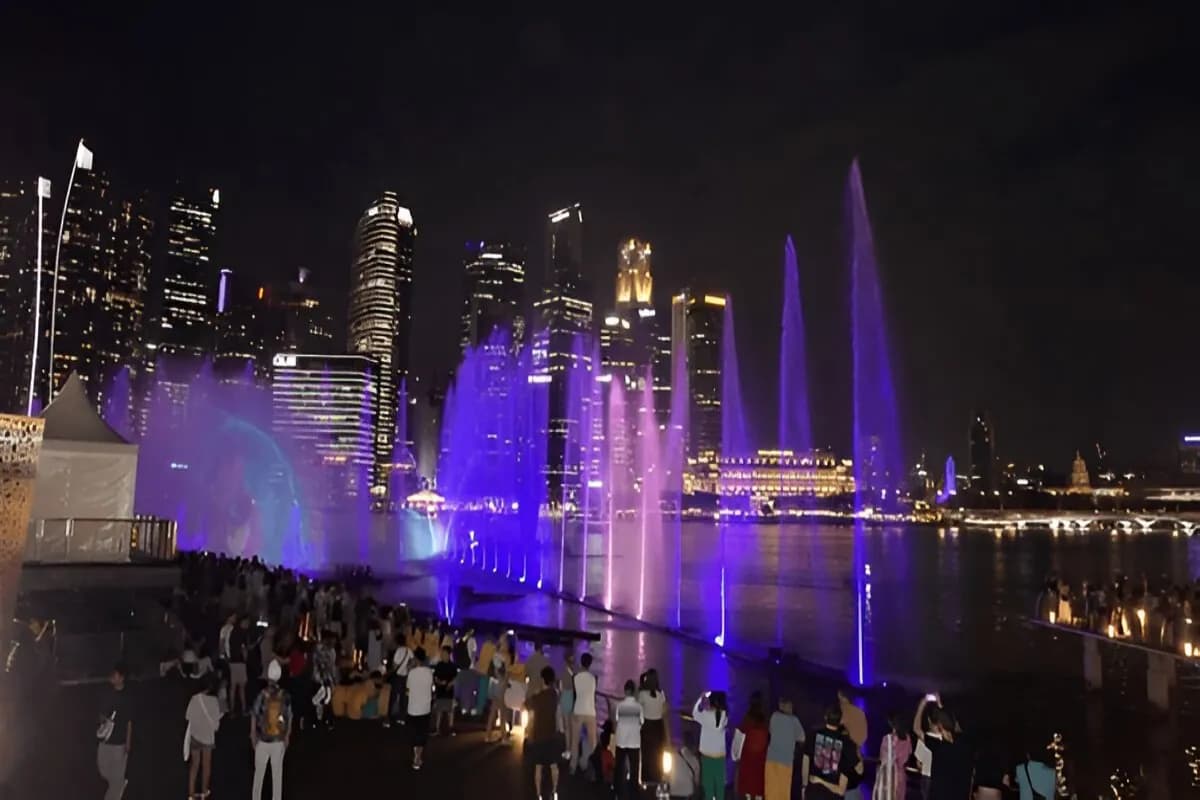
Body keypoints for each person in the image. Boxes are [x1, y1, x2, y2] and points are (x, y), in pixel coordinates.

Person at [912, 695, 974, 800]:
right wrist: (941, 708)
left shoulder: (938, 746)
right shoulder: (965, 744)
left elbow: (916, 729)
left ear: (939, 726)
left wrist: (923, 703)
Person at [251, 660, 292, 800]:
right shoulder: (285, 695)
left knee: (259, 776)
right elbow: (289, 716)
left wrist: (252, 734)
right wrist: (287, 735)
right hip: (278, 739)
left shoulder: (262, 694)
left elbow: (254, 714)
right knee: (277, 776)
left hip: (262, 739)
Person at [801, 704, 860, 799]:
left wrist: (804, 786)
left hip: (814, 792)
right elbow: (858, 768)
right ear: (840, 721)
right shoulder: (847, 743)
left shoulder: (813, 736)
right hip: (834, 795)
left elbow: (805, 761)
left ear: (825, 717)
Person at [526, 665, 564, 800]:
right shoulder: (555, 695)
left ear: (542, 680)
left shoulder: (537, 697)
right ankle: (554, 792)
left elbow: (526, 705)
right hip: (552, 736)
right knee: (554, 766)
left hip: (539, 737)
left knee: (538, 767)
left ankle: (539, 794)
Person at [96, 663, 132, 800]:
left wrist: (128, 742)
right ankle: (119, 784)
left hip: (119, 742)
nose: (112, 677)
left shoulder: (127, 698)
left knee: (116, 779)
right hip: (106, 738)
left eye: (115, 675)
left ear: (121, 677)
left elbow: (129, 721)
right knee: (103, 769)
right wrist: (104, 720)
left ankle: (117, 789)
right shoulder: (107, 693)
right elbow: (100, 714)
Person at [186, 673, 223, 800]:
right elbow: (217, 726)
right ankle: (204, 793)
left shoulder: (194, 698)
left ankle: (191, 794)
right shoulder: (214, 702)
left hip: (195, 736)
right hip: (208, 738)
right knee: (206, 766)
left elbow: (188, 717)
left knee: (194, 765)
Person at [765, 696, 805, 800]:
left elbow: (770, 731)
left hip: (771, 759)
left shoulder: (774, 716)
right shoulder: (794, 720)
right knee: (783, 792)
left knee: (771, 790)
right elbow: (802, 738)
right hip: (786, 761)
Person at [692, 690, 729, 800]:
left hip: (706, 756)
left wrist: (701, 699)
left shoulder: (705, 715)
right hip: (720, 756)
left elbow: (695, 713)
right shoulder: (724, 716)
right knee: (719, 787)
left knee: (708, 788)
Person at [614, 679, 645, 800]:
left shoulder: (620, 706)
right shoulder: (639, 707)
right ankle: (634, 792)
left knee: (619, 766)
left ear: (625, 691)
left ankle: (618, 789)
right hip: (634, 741)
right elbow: (642, 722)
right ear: (634, 692)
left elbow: (617, 719)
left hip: (621, 740)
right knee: (634, 767)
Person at [735, 691, 769, 800]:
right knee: (758, 791)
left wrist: (736, 757)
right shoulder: (764, 723)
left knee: (748, 792)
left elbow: (737, 747)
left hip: (747, 761)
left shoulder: (746, 721)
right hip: (760, 763)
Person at [638, 668, 670, 785]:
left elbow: (638, 710)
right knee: (658, 755)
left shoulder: (642, 694)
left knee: (646, 754)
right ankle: (657, 779)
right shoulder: (661, 694)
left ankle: (646, 781)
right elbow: (664, 712)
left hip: (646, 726)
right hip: (658, 727)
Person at [872, 711, 912, 800]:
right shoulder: (907, 738)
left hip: (889, 776)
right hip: (901, 775)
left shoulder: (888, 739)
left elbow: (883, 758)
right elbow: (908, 755)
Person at [406, 647, 435, 769]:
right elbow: (432, 688)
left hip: (413, 707)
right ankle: (419, 756)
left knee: (414, 732)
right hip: (425, 707)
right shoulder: (429, 672)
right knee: (422, 733)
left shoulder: (412, 673)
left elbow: (407, 691)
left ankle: (416, 756)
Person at [571, 652, 599, 774]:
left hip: (578, 709)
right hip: (590, 711)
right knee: (593, 741)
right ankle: (588, 763)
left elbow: (575, 694)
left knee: (575, 740)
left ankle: (573, 765)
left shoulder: (575, 677)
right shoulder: (593, 678)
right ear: (590, 664)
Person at [385, 633, 413, 728]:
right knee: (404, 697)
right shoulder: (409, 650)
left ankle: (388, 718)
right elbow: (412, 662)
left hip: (397, 677)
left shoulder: (398, 651)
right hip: (406, 677)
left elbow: (394, 665)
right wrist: (407, 669)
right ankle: (402, 718)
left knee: (393, 697)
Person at [485, 654, 512, 742]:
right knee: (502, 712)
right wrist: (505, 682)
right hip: (499, 686)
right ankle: (503, 737)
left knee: (493, 711)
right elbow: (501, 673)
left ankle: (488, 735)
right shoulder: (502, 657)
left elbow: (493, 672)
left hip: (493, 685)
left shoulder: (495, 656)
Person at [432, 645, 459, 736]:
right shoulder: (439, 665)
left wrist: (449, 684)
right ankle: (437, 728)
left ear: (448, 654)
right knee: (439, 710)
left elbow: (455, 678)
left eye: (444, 653)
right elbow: (435, 677)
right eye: (442, 653)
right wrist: (439, 682)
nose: (442, 655)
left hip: (449, 690)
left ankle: (451, 728)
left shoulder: (452, 666)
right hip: (440, 690)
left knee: (450, 710)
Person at [229, 615, 251, 716]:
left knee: (233, 687)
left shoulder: (233, 632)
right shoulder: (243, 633)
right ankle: (243, 709)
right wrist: (246, 658)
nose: (247, 625)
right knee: (242, 687)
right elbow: (244, 649)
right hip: (240, 662)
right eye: (246, 622)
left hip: (232, 661)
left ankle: (232, 709)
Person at [559, 652, 577, 760]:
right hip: (573, 699)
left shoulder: (564, 673)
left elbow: (562, 688)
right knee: (572, 727)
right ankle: (572, 749)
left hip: (566, 698)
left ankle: (568, 750)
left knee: (567, 728)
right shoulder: (574, 673)